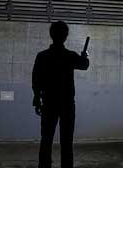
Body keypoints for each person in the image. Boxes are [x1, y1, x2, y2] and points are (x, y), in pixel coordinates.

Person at [32, 21, 89, 168]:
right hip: (67, 105)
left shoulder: (42, 56)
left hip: (49, 103)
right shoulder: (70, 56)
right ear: (66, 36)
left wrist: (37, 100)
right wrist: (84, 56)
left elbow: (36, 80)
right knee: (67, 142)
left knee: (46, 140)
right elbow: (84, 65)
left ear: (51, 35)